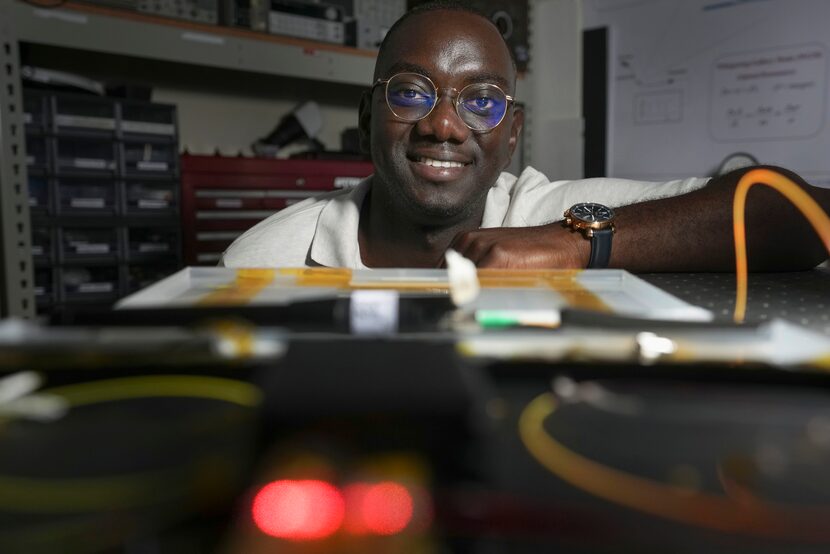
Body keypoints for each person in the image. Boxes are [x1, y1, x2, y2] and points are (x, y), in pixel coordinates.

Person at [221, 1, 830, 272]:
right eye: (411, 92)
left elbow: (795, 211)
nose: (443, 126)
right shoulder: (263, 259)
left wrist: (574, 246)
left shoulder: (544, 214)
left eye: (481, 101)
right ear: (367, 116)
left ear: (513, 135)